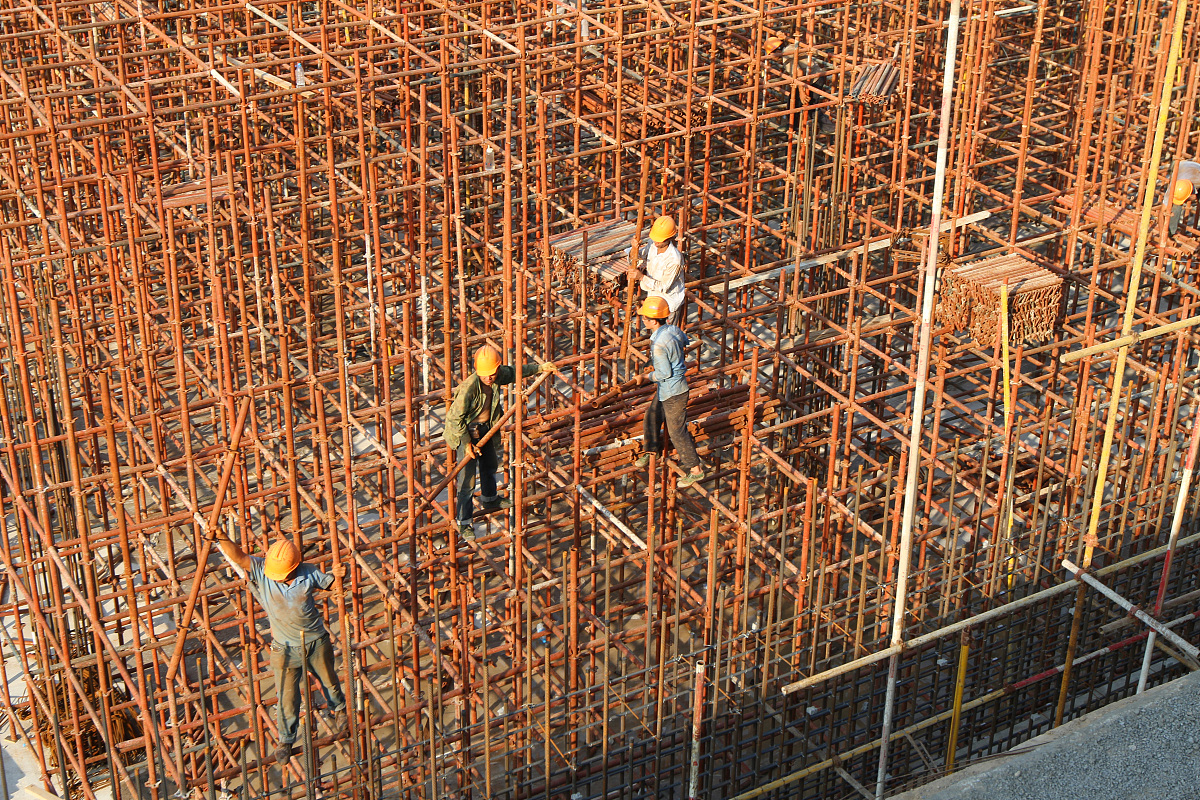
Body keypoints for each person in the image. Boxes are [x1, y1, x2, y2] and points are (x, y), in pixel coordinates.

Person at [211, 532, 347, 766]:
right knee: (287, 696)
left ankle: (340, 711)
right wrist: (221, 537)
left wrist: (339, 577)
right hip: (284, 648)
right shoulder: (263, 570)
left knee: (329, 681)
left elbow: (333, 586)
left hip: (316, 641)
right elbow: (239, 557)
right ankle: (285, 740)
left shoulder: (309, 571)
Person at [446, 344, 557, 539]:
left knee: (490, 466)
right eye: (485, 374)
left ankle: (490, 499)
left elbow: (515, 372)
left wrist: (540, 368)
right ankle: (464, 523)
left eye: (492, 373)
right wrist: (466, 444)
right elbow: (455, 420)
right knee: (467, 481)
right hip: (465, 432)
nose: (489, 377)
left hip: (486, 428)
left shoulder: (497, 377)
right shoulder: (469, 389)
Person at [633, 295, 704, 487]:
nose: (643, 321)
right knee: (652, 416)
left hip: (674, 391)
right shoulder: (673, 329)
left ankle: (695, 469)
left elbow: (664, 373)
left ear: (654, 320)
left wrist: (645, 377)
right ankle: (651, 451)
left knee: (676, 432)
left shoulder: (659, 344)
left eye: (645, 318)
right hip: (667, 389)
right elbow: (686, 341)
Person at [628, 215, 686, 327]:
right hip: (653, 297)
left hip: (668, 302)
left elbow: (663, 287)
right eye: (655, 239)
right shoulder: (653, 244)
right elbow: (639, 256)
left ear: (669, 238)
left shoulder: (674, 259)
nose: (656, 243)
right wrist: (634, 249)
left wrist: (641, 277)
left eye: (659, 240)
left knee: (665, 335)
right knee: (654, 333)